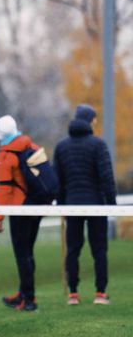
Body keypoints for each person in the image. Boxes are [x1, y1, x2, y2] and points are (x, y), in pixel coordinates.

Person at [53, 104, 117, 305]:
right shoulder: (99, 145)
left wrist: (61, 205)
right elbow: (107, 178)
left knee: (73, 249)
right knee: (99, 249)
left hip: (72, 205)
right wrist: (112, 204)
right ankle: (100, 293)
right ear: (90, 120)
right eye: (95, 119)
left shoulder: (61, 147)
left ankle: (73, 293)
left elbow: (59, 182)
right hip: (97, 205)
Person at [0, 115, 42, 312]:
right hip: (37, 207)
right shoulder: (34, 147)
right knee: (28, 253)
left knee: (22, 255)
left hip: (19, 209)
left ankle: (29, 299)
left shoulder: (6, 155)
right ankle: (24, 293)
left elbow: (4, 189)